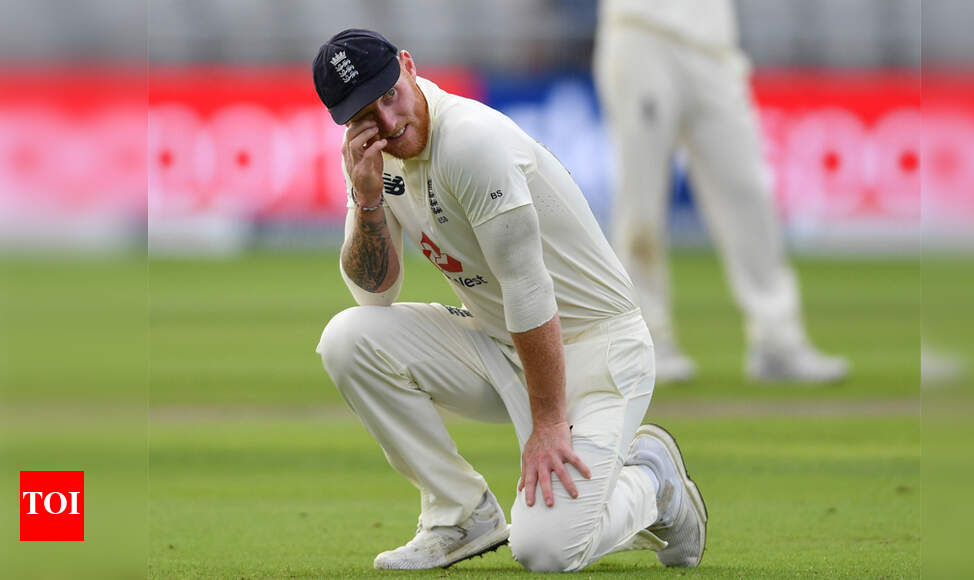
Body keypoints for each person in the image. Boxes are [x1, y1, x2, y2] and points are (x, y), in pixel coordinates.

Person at [311, 29, 707, 572]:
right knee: (348, 339)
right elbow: (373, 293)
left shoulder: (471, 140)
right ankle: (460, 514)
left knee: (545, 549)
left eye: (390, 95)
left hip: (597, 351)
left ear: (409, 65)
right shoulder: (369, 161)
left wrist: (548, 423)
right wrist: (367, 199)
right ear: (344, 122)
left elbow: (528, 285)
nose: (388, 120)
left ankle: (652, 483)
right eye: (364, 114)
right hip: (504, 345)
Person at [593, 0, 849, 383]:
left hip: (713, 45)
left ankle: (777, 342)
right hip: (642, 32)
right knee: (641, 200)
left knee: (748, 192)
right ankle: (643, 342)